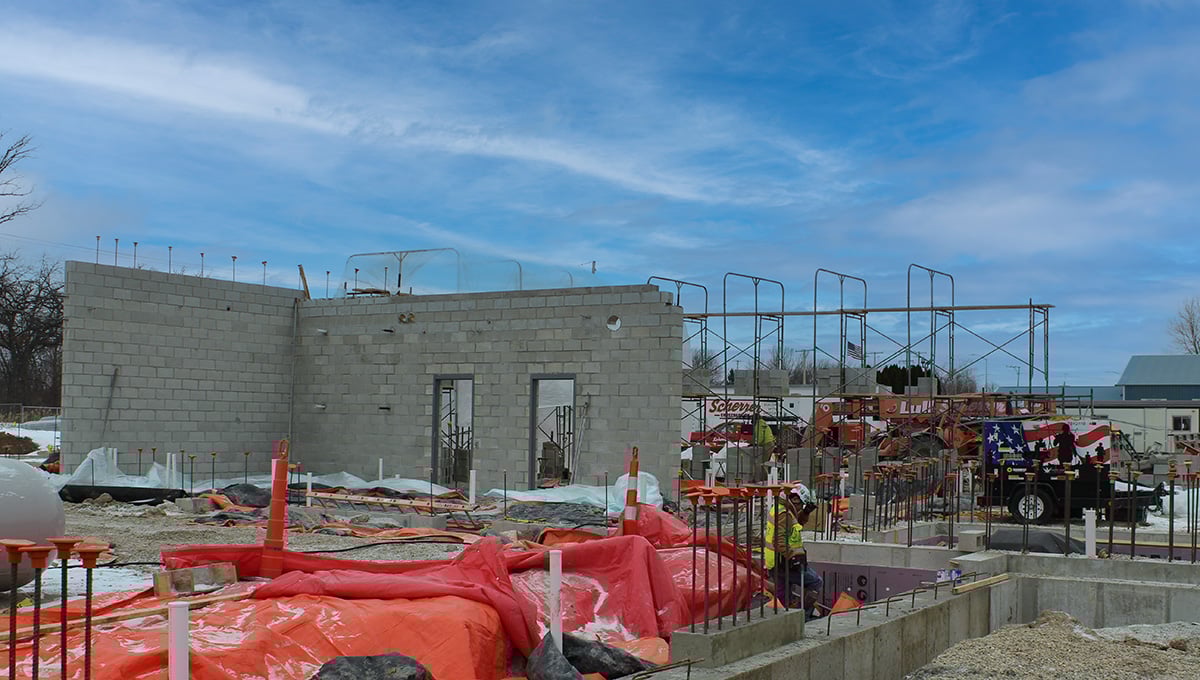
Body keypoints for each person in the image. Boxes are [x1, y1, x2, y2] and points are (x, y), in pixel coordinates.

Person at [765, 484, 823, 618]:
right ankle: (803, 615)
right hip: (785, 562)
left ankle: (786, 619)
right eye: (800, 505)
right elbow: (779, 540)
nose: (800, 507)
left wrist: (806, 513)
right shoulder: (784, 514)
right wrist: (792, 556)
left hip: (776, 562)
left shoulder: (782, 508)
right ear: (795, 499)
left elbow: (795, 524)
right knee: (815, 582)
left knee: (783, 597)